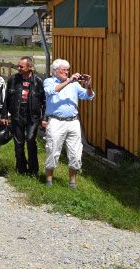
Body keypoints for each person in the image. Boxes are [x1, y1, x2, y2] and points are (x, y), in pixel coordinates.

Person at [43, 58, 96, 189]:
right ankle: (49, 180)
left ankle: (72, 182)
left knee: (75, 152)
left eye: (68, 70)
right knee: (53, 149)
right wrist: (68, 81)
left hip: (73, 121)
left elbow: (88, 96)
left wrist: (88, 85)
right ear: (55, 71)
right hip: (56, 121)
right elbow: (52, 91)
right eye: (64, 70)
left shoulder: (74, 84)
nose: (66, 72)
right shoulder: (49, 81)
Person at [2, 56, 45, 176]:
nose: (18, 68)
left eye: (21, 66)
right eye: (18, 66)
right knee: (18, 143)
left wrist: (44, 118)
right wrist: (4, 115)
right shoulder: (13, 80)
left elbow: (44, 101)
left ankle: (33, 170)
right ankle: (21, 168)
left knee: (31, 140)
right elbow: (7, 99)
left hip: (32, 116)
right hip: (17, 115)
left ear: (29, 67)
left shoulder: (38, 81)